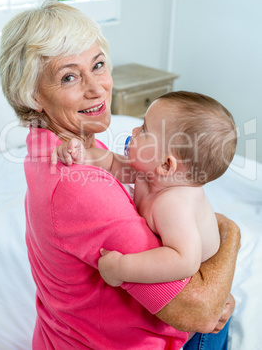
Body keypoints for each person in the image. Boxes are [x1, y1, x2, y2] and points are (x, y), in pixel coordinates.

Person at [0, 0, 241, 350]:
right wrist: (229, 233)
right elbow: (201, 313)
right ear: (34, 95)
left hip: (60, 335)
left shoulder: (44, 147)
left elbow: (111, 163)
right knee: (218, 322)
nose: (96, 89)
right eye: (69, 76)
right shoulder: (80, 189)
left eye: (98, 65)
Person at [53, 91, 236, 288]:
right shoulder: (149, 174)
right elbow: (112, 162)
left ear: (166, 165)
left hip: (201, 278)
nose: (134, 129)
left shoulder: (173, 205)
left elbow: (185, 260)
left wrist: (121, 268)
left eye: (144, 131)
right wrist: (82, 154)